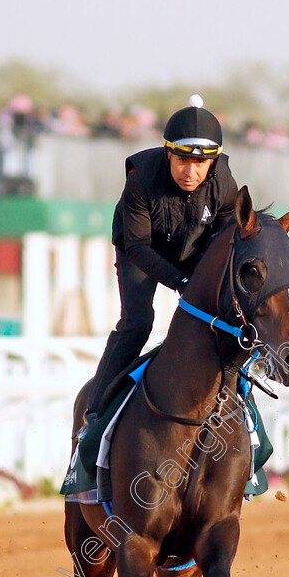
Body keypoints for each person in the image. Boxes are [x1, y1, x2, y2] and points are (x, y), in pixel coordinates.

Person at [79, 95, 238, 439]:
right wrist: (181, 280)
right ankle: (96, 411)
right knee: (138, 322)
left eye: (201, 164)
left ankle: (241, 412)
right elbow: (137, 246)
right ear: (168, 153)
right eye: (182, 160)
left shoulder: (224, 182)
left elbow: (227, 238)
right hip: (142, 249)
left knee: (226, 318)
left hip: (193, 248)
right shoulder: (140, 180)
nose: (190, 172)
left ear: (213, 162)